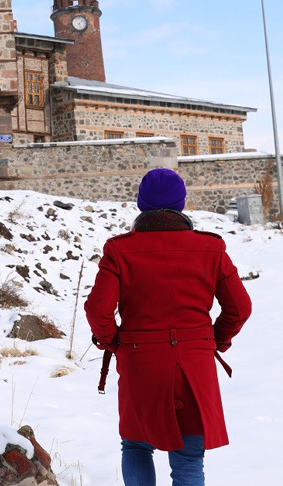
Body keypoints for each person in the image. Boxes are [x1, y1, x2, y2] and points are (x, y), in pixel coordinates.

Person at [84, 168, 252, 486]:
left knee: (135, 445)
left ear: (141, 204)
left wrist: (112, 342)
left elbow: (98, 309)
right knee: (189, 463)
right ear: (181, 204)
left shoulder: (119, 250)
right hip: (195, 364)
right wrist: (213, 340)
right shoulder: (211, 248)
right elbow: (240, 307)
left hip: (139, 364)